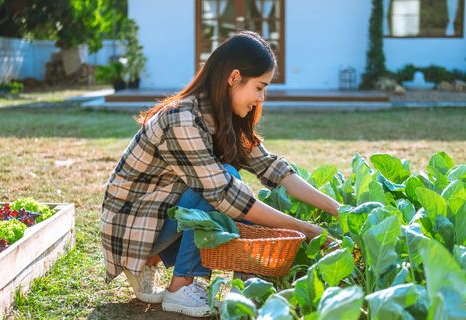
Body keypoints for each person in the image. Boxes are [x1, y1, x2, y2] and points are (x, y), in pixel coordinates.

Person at [100, 31, 341, 318]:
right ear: (234, 77)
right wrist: (307, 229)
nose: (262, 98)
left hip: (160, 217)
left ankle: (156, 261)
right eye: (260, 87)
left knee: (226, 180)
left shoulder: (223, 115)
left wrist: (340, 210)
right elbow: (224, 195)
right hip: (132, 227)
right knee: (224, 180)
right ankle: (180, 286)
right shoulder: (182, 118)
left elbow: (273, 168)